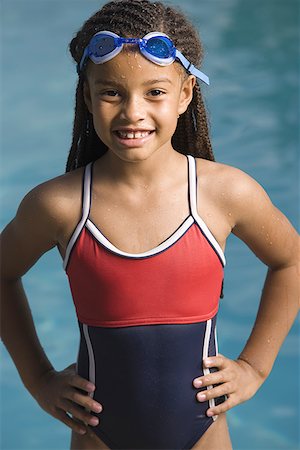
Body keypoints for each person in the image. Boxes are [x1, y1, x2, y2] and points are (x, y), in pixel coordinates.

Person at [0, 0, 299, 449]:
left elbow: (290, 260)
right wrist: (38, 378)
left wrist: (255, 367)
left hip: (204, 436)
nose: (132, 112)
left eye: (154, 92)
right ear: (86, 95)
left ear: (185, 95)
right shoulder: (59, 204)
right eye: (111, 93)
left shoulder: (223, 193)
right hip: (98, 437)